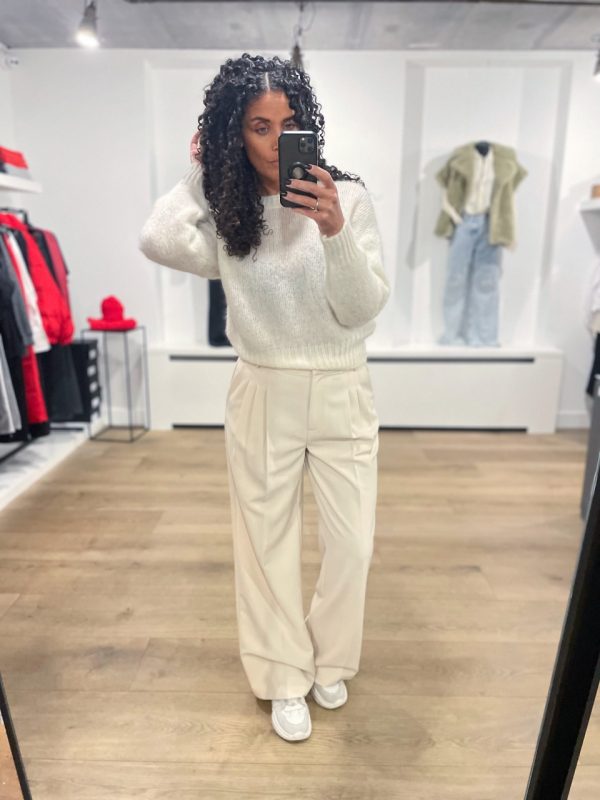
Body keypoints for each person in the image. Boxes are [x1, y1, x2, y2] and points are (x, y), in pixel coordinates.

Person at [139, 52, 390, 743]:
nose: (277, 141)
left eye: (289, 123)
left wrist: (334, 232)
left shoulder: (348, 200)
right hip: (262, 387)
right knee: (264, 543)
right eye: (258, 126)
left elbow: (361, 309)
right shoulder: (231, 212)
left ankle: (330, 659)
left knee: (353, 543)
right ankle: (282, 676)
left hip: (342, 385)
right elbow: (158, 239)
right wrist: (200, 172)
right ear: (234, 133)